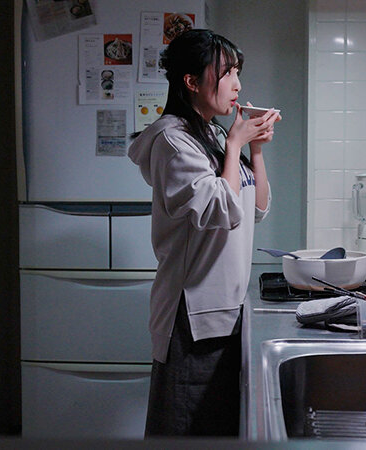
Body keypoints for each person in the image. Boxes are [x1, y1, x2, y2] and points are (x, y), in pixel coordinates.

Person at [128, 29, 280, 436]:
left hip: (224, 308)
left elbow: (257, 208)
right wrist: (235, 145)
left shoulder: (211, 133)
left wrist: (255, 148)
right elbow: (222, 210)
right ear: (191, 82)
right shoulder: (173, 142)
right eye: (227, 73)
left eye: (237, 72)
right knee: (186, 429)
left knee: (214, 429)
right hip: (192, 313)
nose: (237, 84)